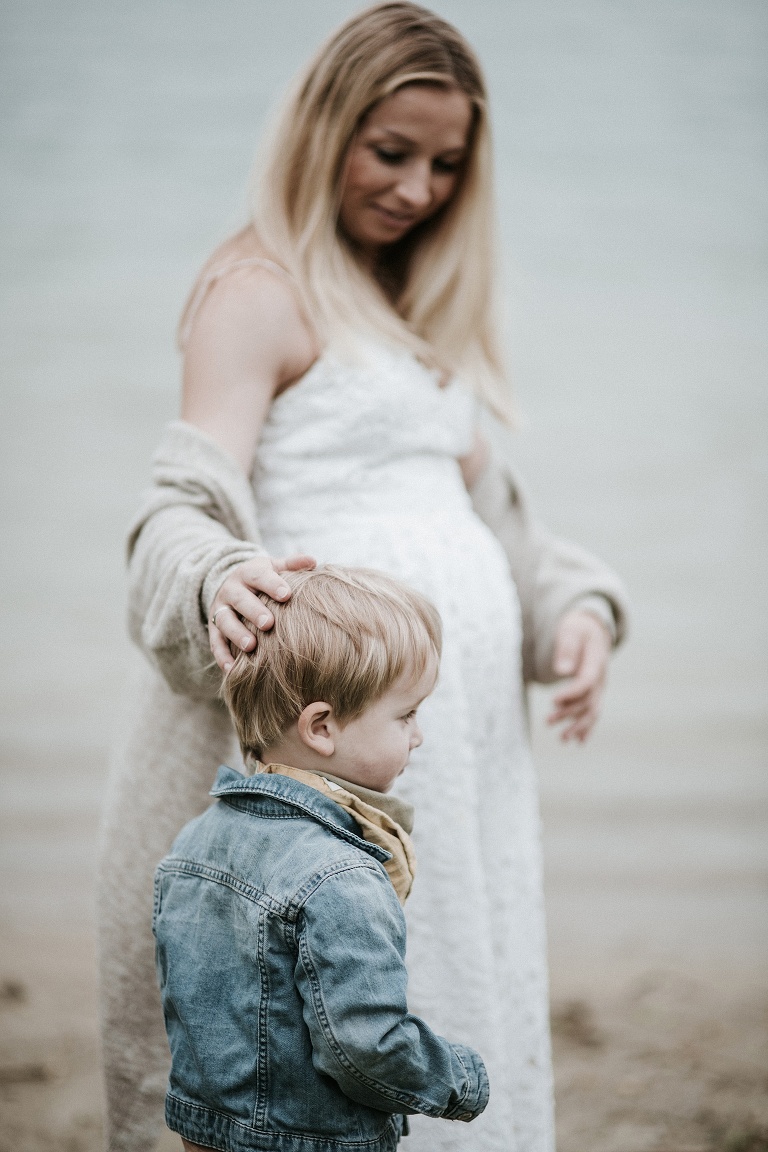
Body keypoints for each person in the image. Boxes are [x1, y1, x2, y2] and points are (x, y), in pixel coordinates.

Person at [99, 5, 629, 1151]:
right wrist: (213, 581)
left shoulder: (412, 308)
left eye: (447, 164)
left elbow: (499, 523)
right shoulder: (258, 288)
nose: (420, 189)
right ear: (321, 127)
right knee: (331, 1017)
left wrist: (570, 608)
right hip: (330, 750)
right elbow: (178, 508)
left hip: (451, 761)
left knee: (448, 967)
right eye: (391, 152)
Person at [154, 564, 489, 1152]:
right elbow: (365, 1045)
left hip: (204, 1134)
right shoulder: (342, 875)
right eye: (407, 714)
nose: (418, 737)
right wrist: (461, 1081)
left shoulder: (192, 844)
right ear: (323, 727)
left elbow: (189, 1010)